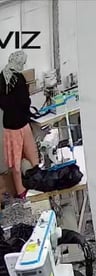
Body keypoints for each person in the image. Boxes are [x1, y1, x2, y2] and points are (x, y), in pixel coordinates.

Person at [0, 51, 38, 199]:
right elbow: (25, 101)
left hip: (9, 127)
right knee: (32, 157)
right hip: (21, 124)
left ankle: (21, 193)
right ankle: (37, 185)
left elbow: (2, 103)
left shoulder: (1, 77)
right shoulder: (19, 78)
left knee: (15, 164)